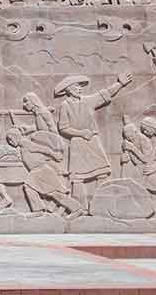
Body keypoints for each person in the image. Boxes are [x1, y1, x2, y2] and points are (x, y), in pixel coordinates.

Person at [55, 72, 133, 209]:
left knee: (102, 172)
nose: (79, 89)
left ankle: (103, 204)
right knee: (77, 177)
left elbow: (104, 94)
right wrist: (80, 133)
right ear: (69, 90)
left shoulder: (87, 101)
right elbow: (63, 128)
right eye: (76, 87)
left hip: (93, 141)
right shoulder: (65, 105)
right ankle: (80, 207)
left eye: (80, 87)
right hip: (77, 144)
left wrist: (120, 84)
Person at [5, 129, 84, 218]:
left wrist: (54, 155)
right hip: (36, 172)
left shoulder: (25, 143)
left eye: (11, 139)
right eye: (9, 141)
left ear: (16, 136)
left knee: (55, 193)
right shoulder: (22, 147)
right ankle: (38, 210)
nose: (11, 142)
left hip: (42, 171)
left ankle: (76, 209)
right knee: (29, 187)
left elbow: (43, 149)